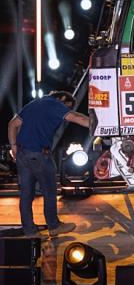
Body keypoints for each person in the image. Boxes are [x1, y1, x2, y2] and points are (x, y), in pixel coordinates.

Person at [7, 91, 90, 237]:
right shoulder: (55, 104)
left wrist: (13, 146)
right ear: (62, 99)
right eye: (68, 107)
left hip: (22, 154)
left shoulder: (34, 104)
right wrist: (100, 124)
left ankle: (30, 231)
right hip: (39, 155)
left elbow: (12, 124)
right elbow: (78, 118)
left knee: (26, 195)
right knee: (49, 191)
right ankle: (54, 226)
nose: (66, 111)